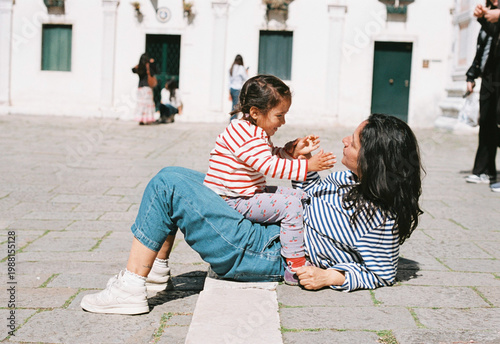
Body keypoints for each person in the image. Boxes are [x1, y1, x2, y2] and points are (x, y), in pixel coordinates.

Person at [80, 113, 423, 315]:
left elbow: (382, 272)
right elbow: (306, 194)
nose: (346, 140)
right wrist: (297, 160)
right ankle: (154, 272)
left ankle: (130, 289)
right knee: (179, 176)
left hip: (265, 252)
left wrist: (331, 277)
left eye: (356, 141)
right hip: (263, 222)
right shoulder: (346, 178)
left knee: (169, 183)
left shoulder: (380, 218)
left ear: (374, 159)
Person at [204, 75, 336, 285]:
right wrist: (306, 166)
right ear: (255, 112)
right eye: (279, 115)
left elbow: (269, 155)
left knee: (299, 195)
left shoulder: (253, 131)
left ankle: (313, 239)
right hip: (232, 200)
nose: (283, 122)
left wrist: (289, 151)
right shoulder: (242, 134)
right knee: (291, 205)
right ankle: (295, 266)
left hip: (247, 193)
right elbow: (267, 165)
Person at [466, 0, 499, 185]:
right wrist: (471, 76)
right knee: (486, 122)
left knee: (495, 123)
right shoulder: (491, 17)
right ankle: (484, 170)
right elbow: (481, 51)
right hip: (489, 77)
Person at [132, 53, 157, 125]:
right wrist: (151, 63)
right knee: (147, 104)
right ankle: (147, 119)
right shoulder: (147, 67)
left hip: (140, 88)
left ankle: (141, 119)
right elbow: (154, 72)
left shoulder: (139, 67)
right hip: (147, 88)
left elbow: (133, 70)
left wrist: (139, 65)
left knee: (141, 104)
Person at [228, 54, 249, 120]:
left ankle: (232, 120)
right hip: (238, 89)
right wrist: (246, 72)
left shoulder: (232, 68)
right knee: (236, 107)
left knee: (234, 106)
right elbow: (246, 78)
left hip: (232, 89)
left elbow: (229, 81)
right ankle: (232, 122)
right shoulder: (241, 68)